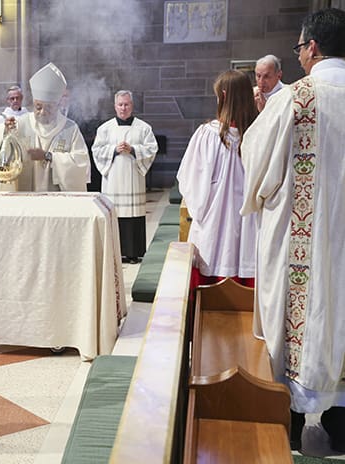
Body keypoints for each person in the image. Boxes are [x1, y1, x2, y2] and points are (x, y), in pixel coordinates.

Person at [240, 8, 345, 453]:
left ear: (313, 47)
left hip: (306, 246)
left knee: (308, 315)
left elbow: (256, 162)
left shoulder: (296, 99)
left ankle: (297, 422)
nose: (300, 56)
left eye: (299, 48)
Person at [177, 70, 257, 285]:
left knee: (213, 260)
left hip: (215, 222)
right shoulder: (259, 133)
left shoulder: (208, 134)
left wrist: (200, 212)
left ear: (222, 95)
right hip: (251, 223)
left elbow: (190, 180)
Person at [0, 63, 90, 192]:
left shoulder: (70, 128)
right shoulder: (21, 123)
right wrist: (5, 131)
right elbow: (3, 152)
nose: (42, 112)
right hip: (25, 197)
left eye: (49, 107)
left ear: (57, 105)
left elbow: (81, 164)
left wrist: (48, 156)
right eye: (38, 107)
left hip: (58, 201)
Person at [92, 90, 157, 263]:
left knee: (133, 215)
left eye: (127, 104)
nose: (123, 108)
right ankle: (115, 253)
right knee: (115, 215)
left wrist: (134, 149)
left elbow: (152, 149)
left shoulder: (143, 128)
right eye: (120, 104)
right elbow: (96, 150)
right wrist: (114, 149)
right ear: (115, 106)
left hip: (133, 179)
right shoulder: (105, 128)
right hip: (113, 181)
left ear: (132, 106)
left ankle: (133, 253)